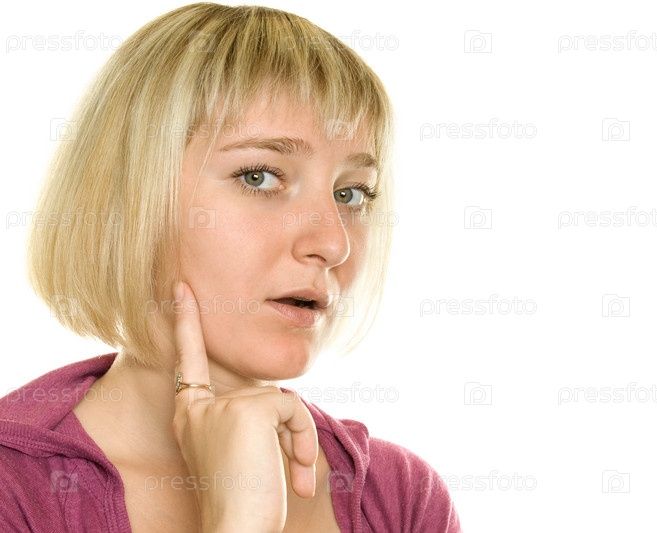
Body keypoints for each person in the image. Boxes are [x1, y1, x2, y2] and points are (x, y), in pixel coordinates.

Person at [0, 3, 460, 531]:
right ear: (128, 197)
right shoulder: (14, 492)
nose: (334, 243)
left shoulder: (401, 498)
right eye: (260, 176)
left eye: (351, 193)